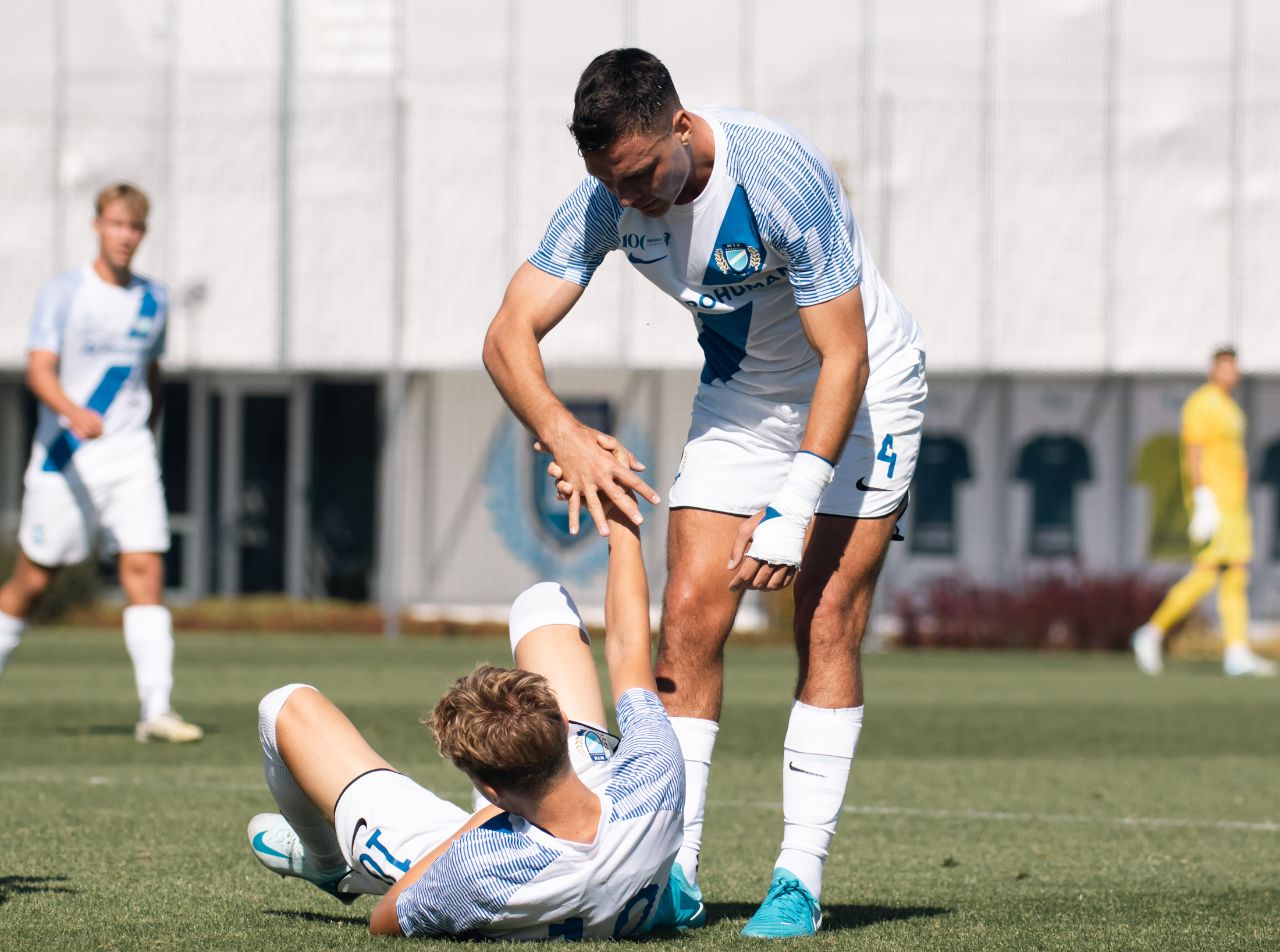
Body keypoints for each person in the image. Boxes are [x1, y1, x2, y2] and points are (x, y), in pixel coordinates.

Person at [483, 48, 926, 937]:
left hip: (864, 390)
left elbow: (845, 354)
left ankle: (798, 878)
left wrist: (797, 500)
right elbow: (507, 335)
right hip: (742, 401)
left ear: (681, 128)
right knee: (687, 618)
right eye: (612, 180)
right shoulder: (607, 197)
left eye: (642, 173)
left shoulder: (779, 176)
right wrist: (566, 436)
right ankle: (671, 870)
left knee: (826, 618)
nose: (630, 196)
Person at [245, 501, 685, 939]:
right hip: (613, 831)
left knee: (282, 706)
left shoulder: (471, 872)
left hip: (493, 852)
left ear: (487, 791)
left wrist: (481, 822)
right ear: (564, 724)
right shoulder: (656, 773)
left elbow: (385, 920)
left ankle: (328, 865)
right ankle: (677, 891)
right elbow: (628, 648)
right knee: (543, 602)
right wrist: (620, 512)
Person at [0, 182, 202, 743]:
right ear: (97, 225)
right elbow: (39, 369)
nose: (125, 236)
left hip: (130, 454)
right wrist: (72, 412)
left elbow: (151, 372)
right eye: (116, 224)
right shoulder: (65, 292)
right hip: (66, 456)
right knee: (32, 582)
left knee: (145, 571)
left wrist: (146, 430)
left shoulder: (154, 300)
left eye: (135, 227)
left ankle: (156, 710)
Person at [1132, 348, 1276, 677]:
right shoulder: (1202, 403)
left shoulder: (1231, 408)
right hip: (1215, 500)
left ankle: (1236, 651)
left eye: (1234, 368)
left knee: (1236, 573)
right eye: (1225, 368)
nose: (1232, 374)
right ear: (1213, 370)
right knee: (1208, 571)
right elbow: (1194, 453)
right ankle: (1152, 631)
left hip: (1235, 504)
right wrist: (1202, 497)